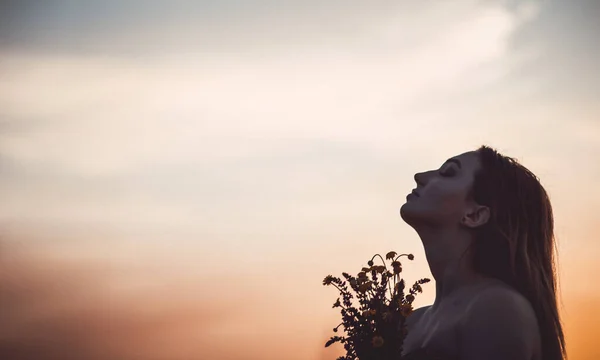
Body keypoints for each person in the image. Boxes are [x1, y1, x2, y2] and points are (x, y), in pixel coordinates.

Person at [398, 145, 567, 360]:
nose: (420, 176)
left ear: (475, 215)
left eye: (448, 172)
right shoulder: (411, 322)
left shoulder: (499, 309)